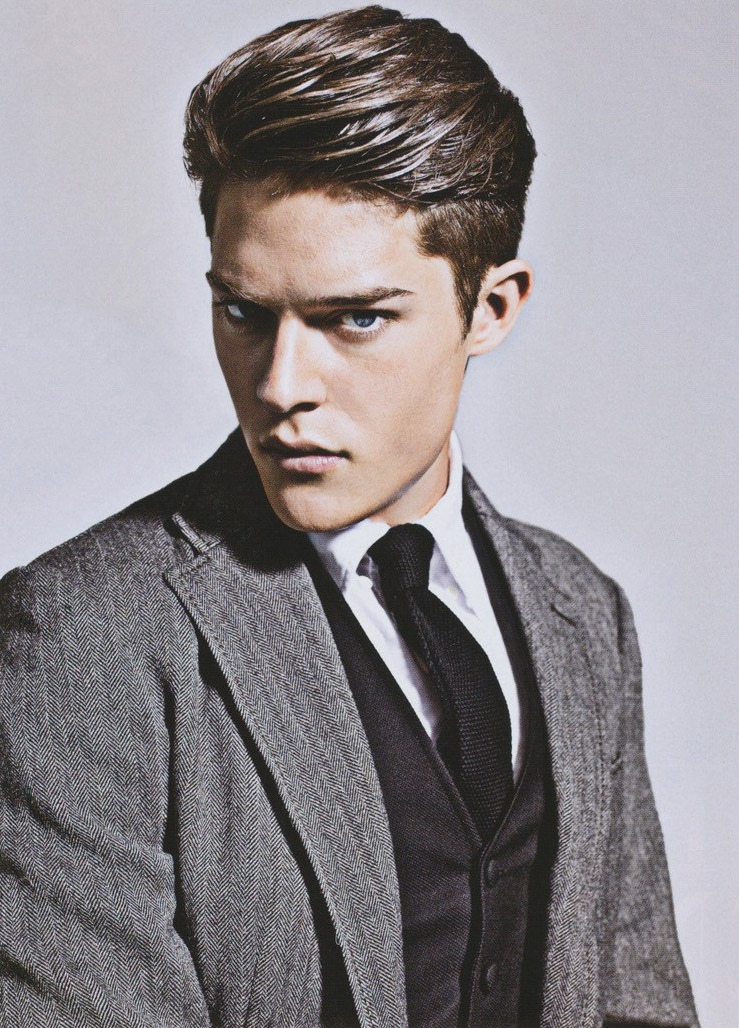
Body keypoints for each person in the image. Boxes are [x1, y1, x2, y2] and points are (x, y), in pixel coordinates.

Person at [0, 6, 699, 1027]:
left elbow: (637, 1000)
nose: (281, 384)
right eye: (244, 312)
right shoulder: (82, 633)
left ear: (491, 308)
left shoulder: (581, 611)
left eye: (355, 318)